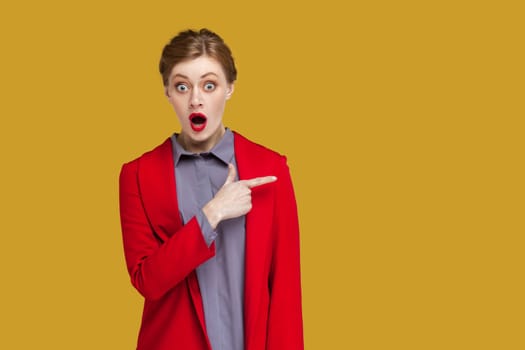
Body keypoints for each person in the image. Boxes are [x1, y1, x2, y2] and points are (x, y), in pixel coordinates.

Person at [119, 28, 303, 350]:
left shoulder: (270, 170)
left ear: (229, 88)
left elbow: (286, 291)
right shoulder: (137, 175)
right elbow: (148, 281)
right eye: (182, 86)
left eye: (209, 85)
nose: (195, 99)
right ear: (167, 92)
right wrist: (212, 213)